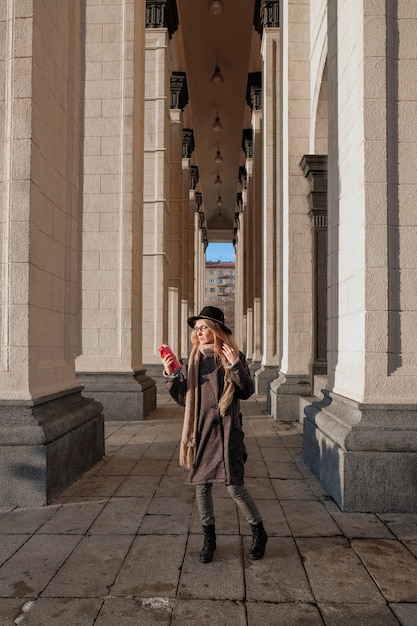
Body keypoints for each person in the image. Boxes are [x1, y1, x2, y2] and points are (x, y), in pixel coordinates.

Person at [160, 306, 267, 563]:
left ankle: (259, 532)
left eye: (203, 327)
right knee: (201, 487)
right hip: (200, 432)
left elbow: (246, 391)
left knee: (235, 488)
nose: (198, 332)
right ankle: (209, 539)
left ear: (216, 330)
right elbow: (182, 397)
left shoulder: (231, 356)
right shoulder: (192, 361)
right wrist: (171, 374)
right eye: (196, 328)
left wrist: (235, 364)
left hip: (227, 432)